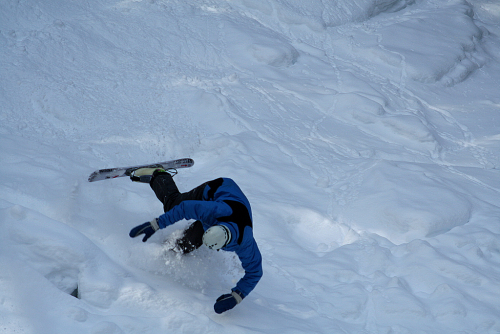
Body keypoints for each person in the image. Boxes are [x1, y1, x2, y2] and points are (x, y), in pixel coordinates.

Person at [128, 168, 263, 314]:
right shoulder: (214, 210)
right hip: (217, 190)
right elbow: (184, 208)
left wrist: (237, 296)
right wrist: (156, 224)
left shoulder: (245, 243)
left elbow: (255, 272)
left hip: (231, 208)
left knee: (186, 246)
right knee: (172, 205)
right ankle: (159, 174)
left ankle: (171, 245)